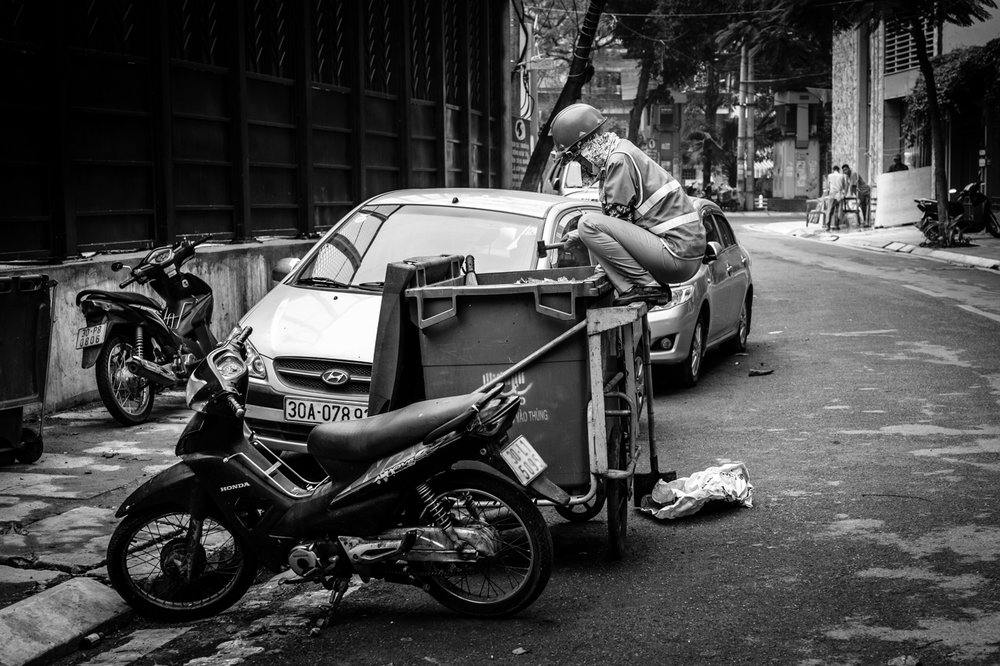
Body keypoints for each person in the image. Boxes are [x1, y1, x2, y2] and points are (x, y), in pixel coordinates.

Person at [548, 103, 706, 305]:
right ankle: (640, 285)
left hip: (677, 254)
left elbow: (613, 223)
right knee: (587, 228)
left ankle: (646, 286)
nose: (581, 167)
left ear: (586, 148)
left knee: (587, 223)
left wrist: (582, 232)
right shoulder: (621, 151)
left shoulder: (618, 161)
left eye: (578, 159)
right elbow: (618, 225)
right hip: (683, 254)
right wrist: (580, 236)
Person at [826, 165, 848, 231]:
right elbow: (844, 186)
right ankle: (837, 225)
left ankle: (828, 226)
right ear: (838, 170)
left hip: (832, 194)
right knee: (839, 211)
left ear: (833, 170)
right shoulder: (842, 176)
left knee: (829, 210)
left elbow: (827, 186)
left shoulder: (829, 176)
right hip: (839, 195)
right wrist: (844, 194)